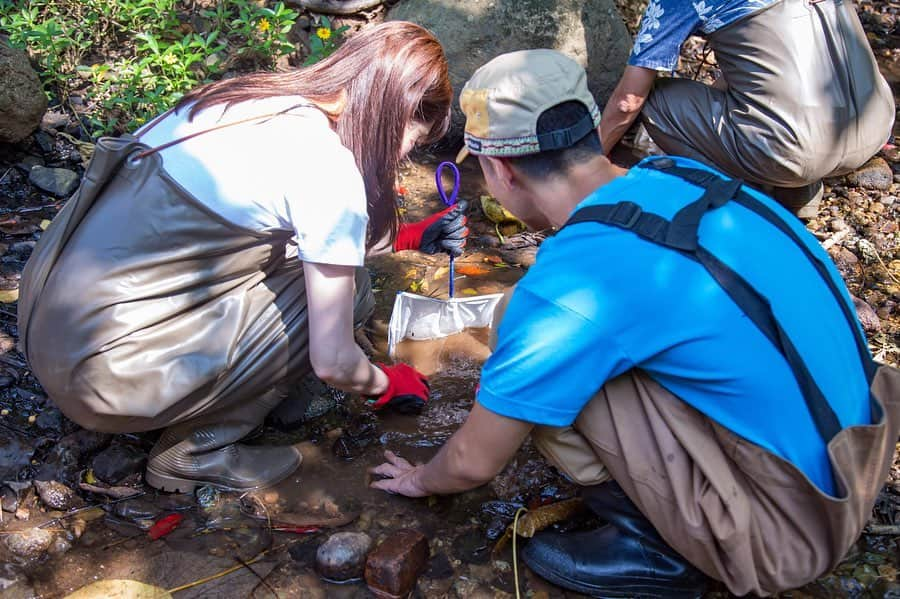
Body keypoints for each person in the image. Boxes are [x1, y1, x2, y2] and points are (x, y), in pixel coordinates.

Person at [370, 50, 900, 597]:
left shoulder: (571, 286)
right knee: (533, 323)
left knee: (523, 342)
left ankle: (654, 549)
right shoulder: (678, 174)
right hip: (859, 461)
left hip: (784, 535)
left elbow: (472, 462)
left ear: (500, 171)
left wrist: (419, 478)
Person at [17, 21, 465, 493]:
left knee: (329, 279)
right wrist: (388, 384)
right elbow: (333, 359)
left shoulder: (245, 100)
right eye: (409, 143)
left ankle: (255, 387)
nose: (400, 157)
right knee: (348, 293)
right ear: (392, 115)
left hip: (49, 328)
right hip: (105, 379)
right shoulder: (325, 166)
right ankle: (197, 452)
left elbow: (272, 229)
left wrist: (411, 237)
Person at [599, 0, 894, 218]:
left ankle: (766, 193)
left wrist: (592, 158)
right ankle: (797, 186)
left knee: (655, 100)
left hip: (799, 150)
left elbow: (628, 101)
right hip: (875, 121)